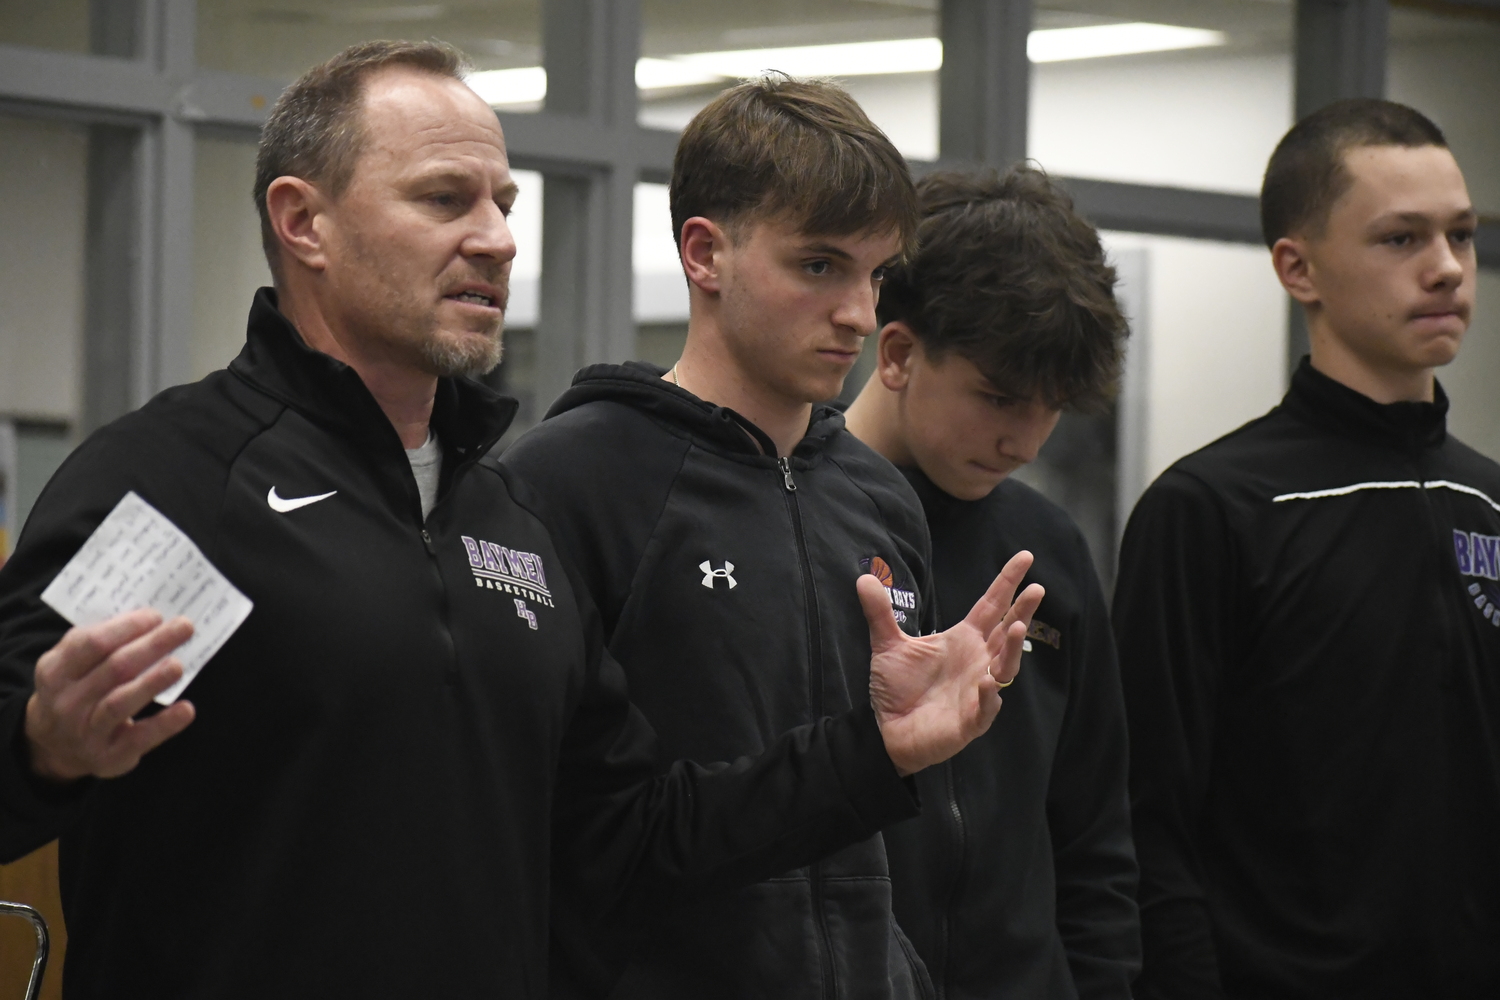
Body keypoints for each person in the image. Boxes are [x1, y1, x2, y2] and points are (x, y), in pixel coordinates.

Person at [0, 42, 1042, 999]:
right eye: (445, 198)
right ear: (303, 222)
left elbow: (629, 838)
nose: (496, 239)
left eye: (503, 201)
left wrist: (875, 751)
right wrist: (42, 747)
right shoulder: (181, 483)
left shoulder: (501, 520)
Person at [500, 77, 1043, 1000]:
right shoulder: (563, 484)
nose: (860, 317)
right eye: (820, 266)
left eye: (875, 275)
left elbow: (888, 861)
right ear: (705, 254)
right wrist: (872, 754)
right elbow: (584, 837)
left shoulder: (877, 498)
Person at [1115, 98, 1500, 998]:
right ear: (1299, 268)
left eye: (1461, 236)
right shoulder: (1210, 509)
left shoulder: (1487, 501)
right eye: (1401, 239)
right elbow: (1147, 820)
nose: (1446, 269)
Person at [844, 165, 1140, 999]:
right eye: (999, 397)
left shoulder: (1048, 548)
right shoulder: (790, 514)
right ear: (898, 352)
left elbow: (1094, 835)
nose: (1025, 441)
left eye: (1050, 407)